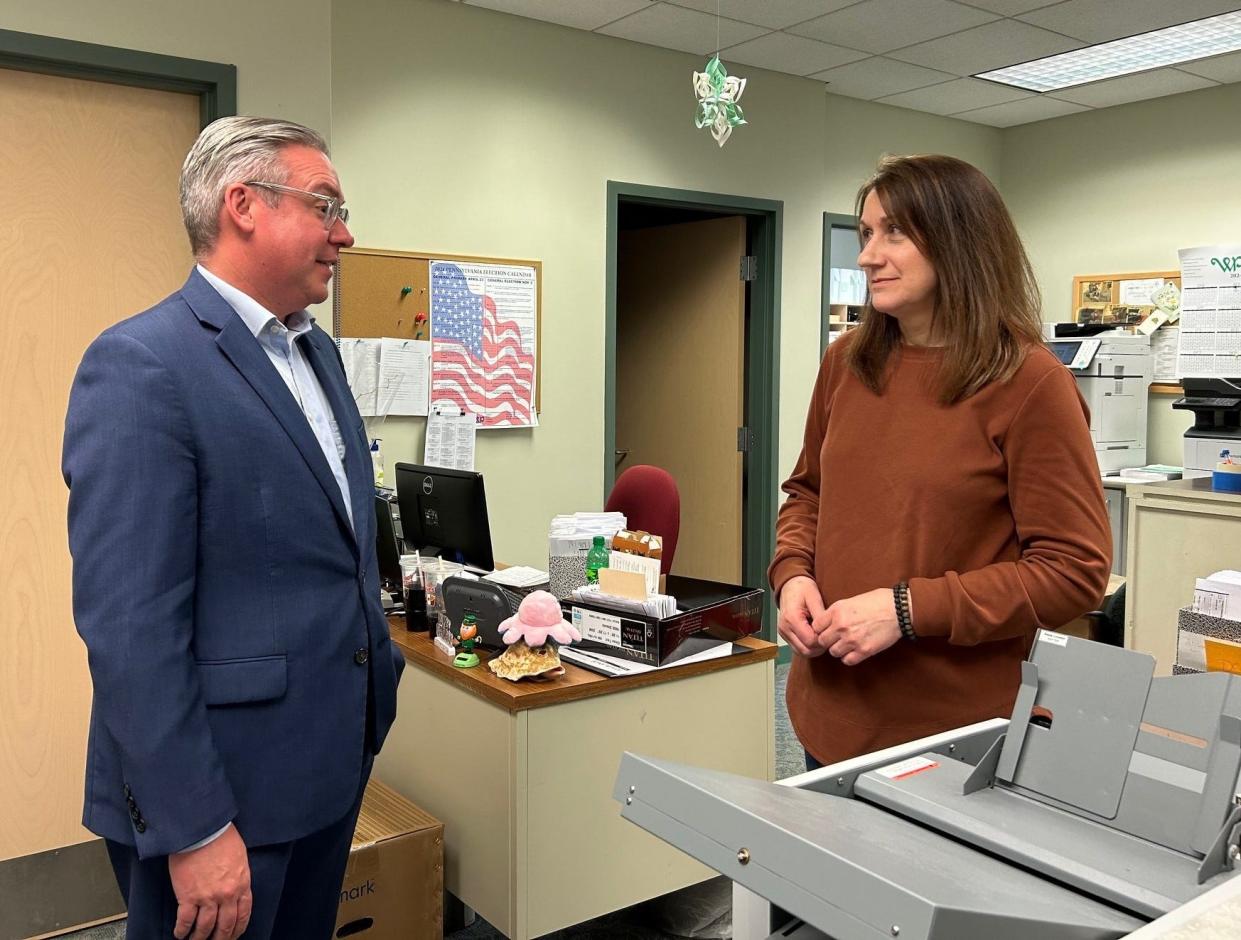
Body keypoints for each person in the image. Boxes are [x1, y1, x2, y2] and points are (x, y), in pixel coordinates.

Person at [63, 116, 404, 940]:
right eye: (325, 205)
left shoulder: (315, 353)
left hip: (324, 767)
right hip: (217, 801)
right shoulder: (142, 366)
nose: (345, 233)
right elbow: (129, 626)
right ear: (242, 204)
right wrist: (194, 826)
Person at [770, 154, 1110, 771]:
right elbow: (807, 494)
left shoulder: (1030, 382)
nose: (868, 256)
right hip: (829, 713)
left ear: (960, 242)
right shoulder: (845, 362)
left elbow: (1072, 570)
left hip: (953, 738)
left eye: (894, 232)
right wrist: (792, 574)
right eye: (867, 233)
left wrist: (906, 611)